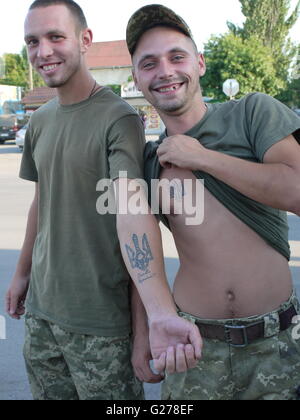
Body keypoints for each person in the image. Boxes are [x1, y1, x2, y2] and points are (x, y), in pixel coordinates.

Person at [5, 0, 202, 400]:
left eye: (55, 37)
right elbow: (43, 199)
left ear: (85, 40)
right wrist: (21, 272)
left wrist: (145, 323)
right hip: (42, 316)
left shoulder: (119, 118)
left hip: (102, 326)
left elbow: (132, 217)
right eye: (32, 41)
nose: (43, 51)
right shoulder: (41, 120)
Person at [126, 4, 300, 400]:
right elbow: (141, 254)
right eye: (149, 64)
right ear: (137, 78)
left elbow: (296, 190)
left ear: (200, 63)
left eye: (177, 57)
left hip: (279, 343)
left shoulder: (253, 113)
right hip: (193, 349)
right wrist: (143, 330)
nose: (165, 71)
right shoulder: (149, 162)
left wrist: (202, 157)